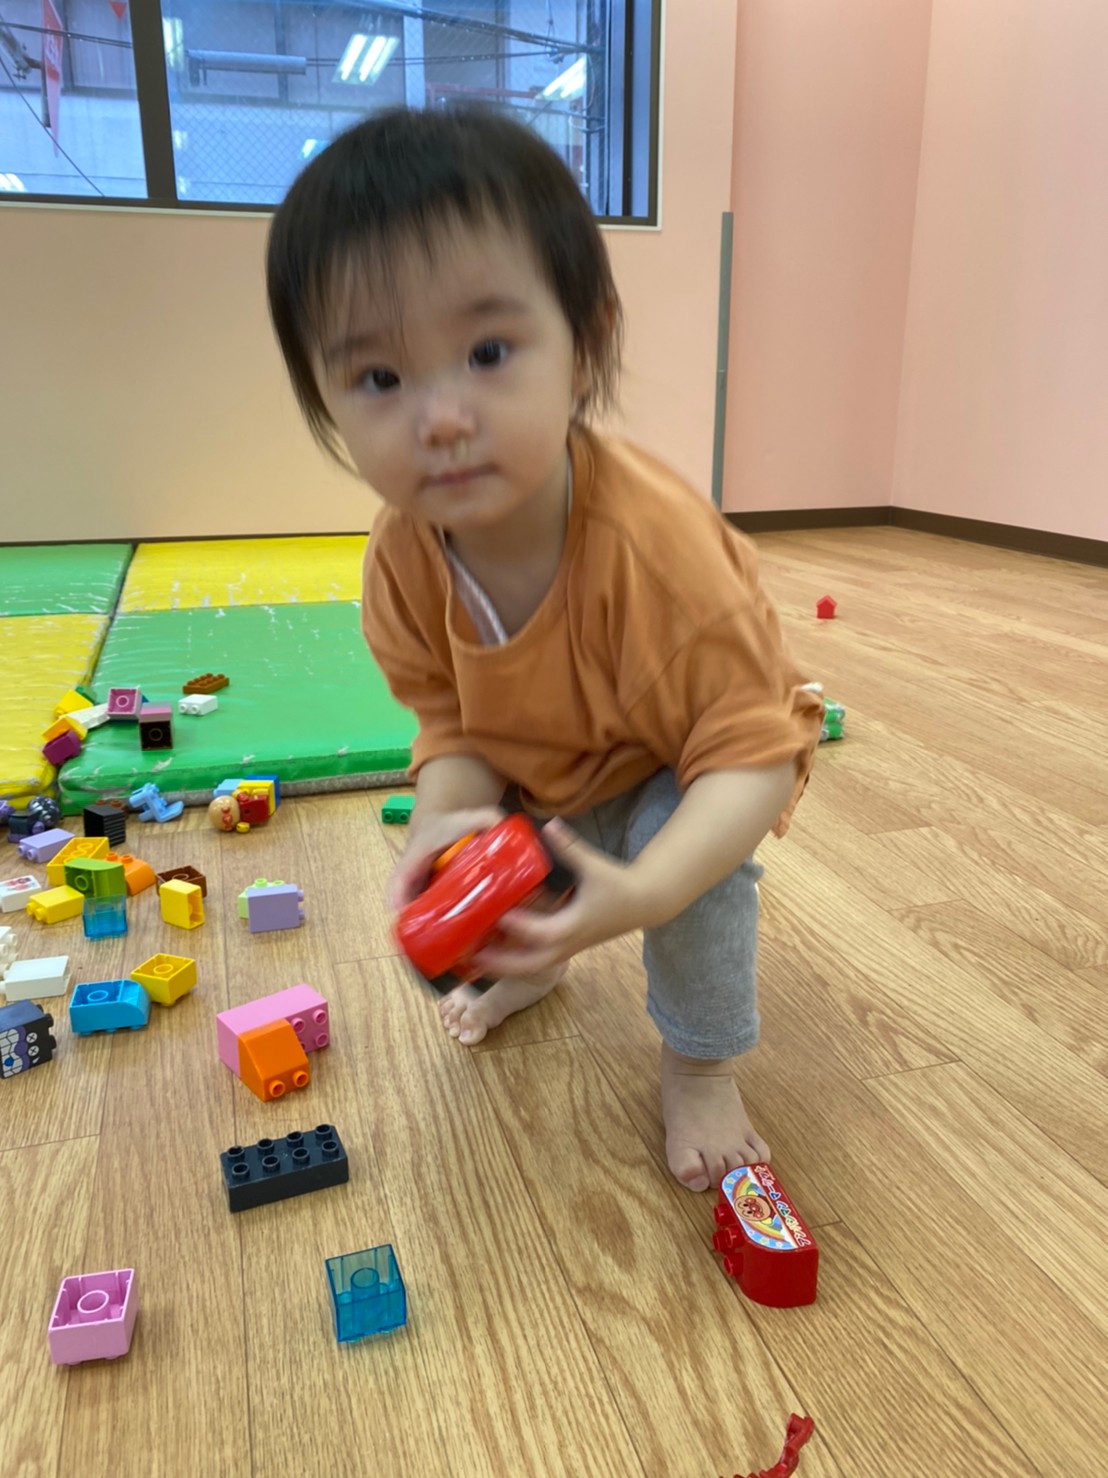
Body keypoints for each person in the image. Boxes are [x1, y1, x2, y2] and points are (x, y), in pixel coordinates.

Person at [266, 107, 822, 1193]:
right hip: (546, 777)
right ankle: (534, 963)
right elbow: (455, 727)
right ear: (324, 401)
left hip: (682, 770)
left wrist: (646, 889)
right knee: (474, 860)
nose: (438, 416)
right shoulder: (401, 561)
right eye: (378, 378)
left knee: (694, 883)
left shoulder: (658, 552)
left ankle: (702, 1062)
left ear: (584, 348)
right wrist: (444, 818)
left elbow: (753, 756)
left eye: (487, 353)